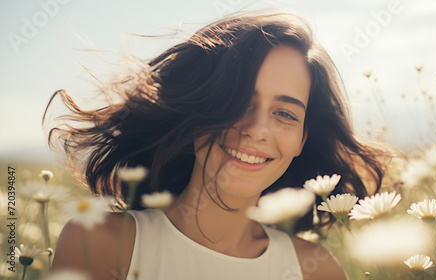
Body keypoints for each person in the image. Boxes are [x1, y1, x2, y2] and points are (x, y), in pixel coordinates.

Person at [45, 10, 389, 280]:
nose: (257, 129)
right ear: (199, 109)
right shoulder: (99, 245)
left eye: (284, 113)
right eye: (238, 100)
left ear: (302, 140)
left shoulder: (318, 272)